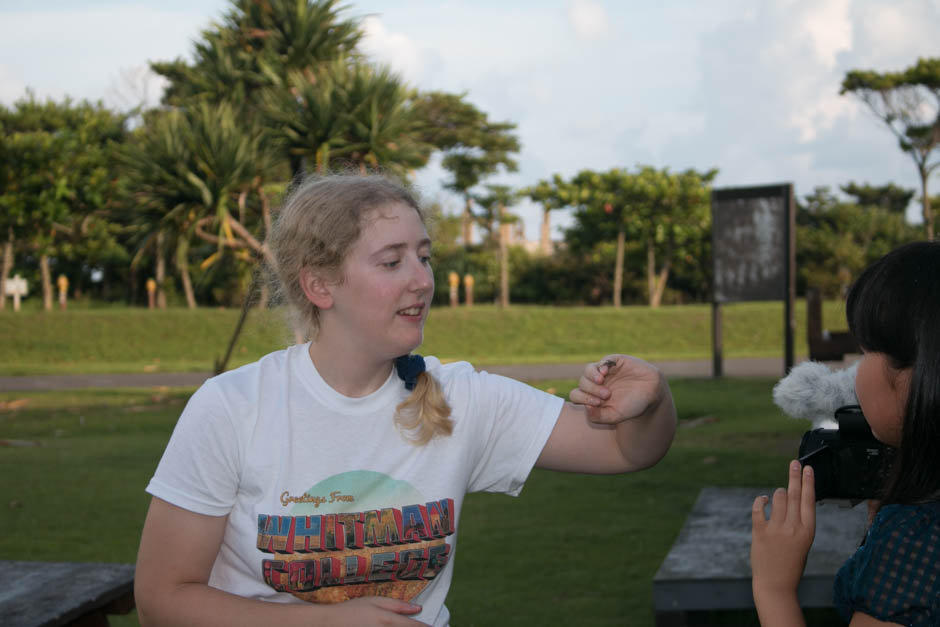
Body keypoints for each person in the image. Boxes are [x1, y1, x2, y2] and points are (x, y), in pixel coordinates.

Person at [134, 173, 677, 626]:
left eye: (424, 256)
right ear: (320, 286)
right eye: (392, 262)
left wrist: (652, 399)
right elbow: (162, 598)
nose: (422, 281)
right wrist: (328, 623)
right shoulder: (233, 407)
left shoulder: (462, 399)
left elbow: (626, 450)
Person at [750, 241, 940, 626]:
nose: (856, 372)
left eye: (865, 353)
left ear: (921, 375)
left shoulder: (915, 541)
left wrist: (773, 588)